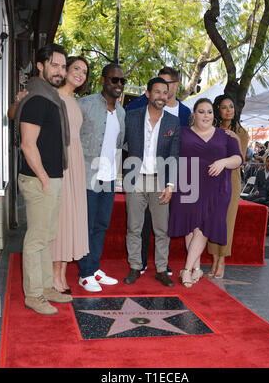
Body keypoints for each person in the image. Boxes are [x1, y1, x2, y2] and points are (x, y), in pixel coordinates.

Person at [14, 43, 72, 315]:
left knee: (47, 238)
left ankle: (46, 287)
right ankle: (34, 295)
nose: (60, 71)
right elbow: (28, 144)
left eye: (63, 66)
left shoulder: (49, 96)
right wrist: (44, 179)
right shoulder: (37, 98)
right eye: (54, 65)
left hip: (49, 177)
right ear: (41, 65)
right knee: (37, 239)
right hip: (40, 180)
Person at [168, 98, 243, 287]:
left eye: (209, 112)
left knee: (202, 228)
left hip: (216, 188)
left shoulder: (226, 135)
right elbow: (171, 154)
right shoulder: (182, 132)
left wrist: (223, 162)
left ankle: (186, 269)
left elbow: (238, 159)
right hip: (188, 184)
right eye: (201, 112)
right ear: (194, 114)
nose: (206, 115)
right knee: (190, 228)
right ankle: (196, 269)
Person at [125, 66, 191, 275]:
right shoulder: (132, 117)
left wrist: (170, 185)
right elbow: (120, 144)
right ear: (148, 94)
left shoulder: (173, 122)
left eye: (165, 92)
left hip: (160, 181)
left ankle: (162, 269)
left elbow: (174, 155)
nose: (161, 96)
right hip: (135, 179)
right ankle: (136, 266)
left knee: (162, 230)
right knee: (134, 228)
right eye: (157, 92)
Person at [77, 63, 126, 292]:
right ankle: (85, 273)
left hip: (108, 179)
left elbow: (118, 145)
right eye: (114, 80)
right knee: (86, 227)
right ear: (103, 80)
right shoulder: (84, 105)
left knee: (101, 225)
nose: (119, 85)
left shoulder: (121, 112)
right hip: (87, 177)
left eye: (122, 81)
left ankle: (94, 267)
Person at [50, 56, 90, 293]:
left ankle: (62, 275)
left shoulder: (74, 101)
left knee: (72, 220)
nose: (80, 74)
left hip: (76, 164)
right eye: (76, 68)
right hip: (61, 164)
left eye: (84, 71)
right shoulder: (54, 99)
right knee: (62, 221)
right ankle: (54, 277)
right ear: (65, 71)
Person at [207, 94, 248, 279]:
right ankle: (214, 259)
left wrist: (236, 140)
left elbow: (240, 160)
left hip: (231, 181)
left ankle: (222, 261)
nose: (229, 110)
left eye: (231, 106)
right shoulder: (213, 129)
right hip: (213, 180)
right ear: (218, 110)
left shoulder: (241, 132)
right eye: (224, 107)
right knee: (212, 220)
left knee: (226, 222)